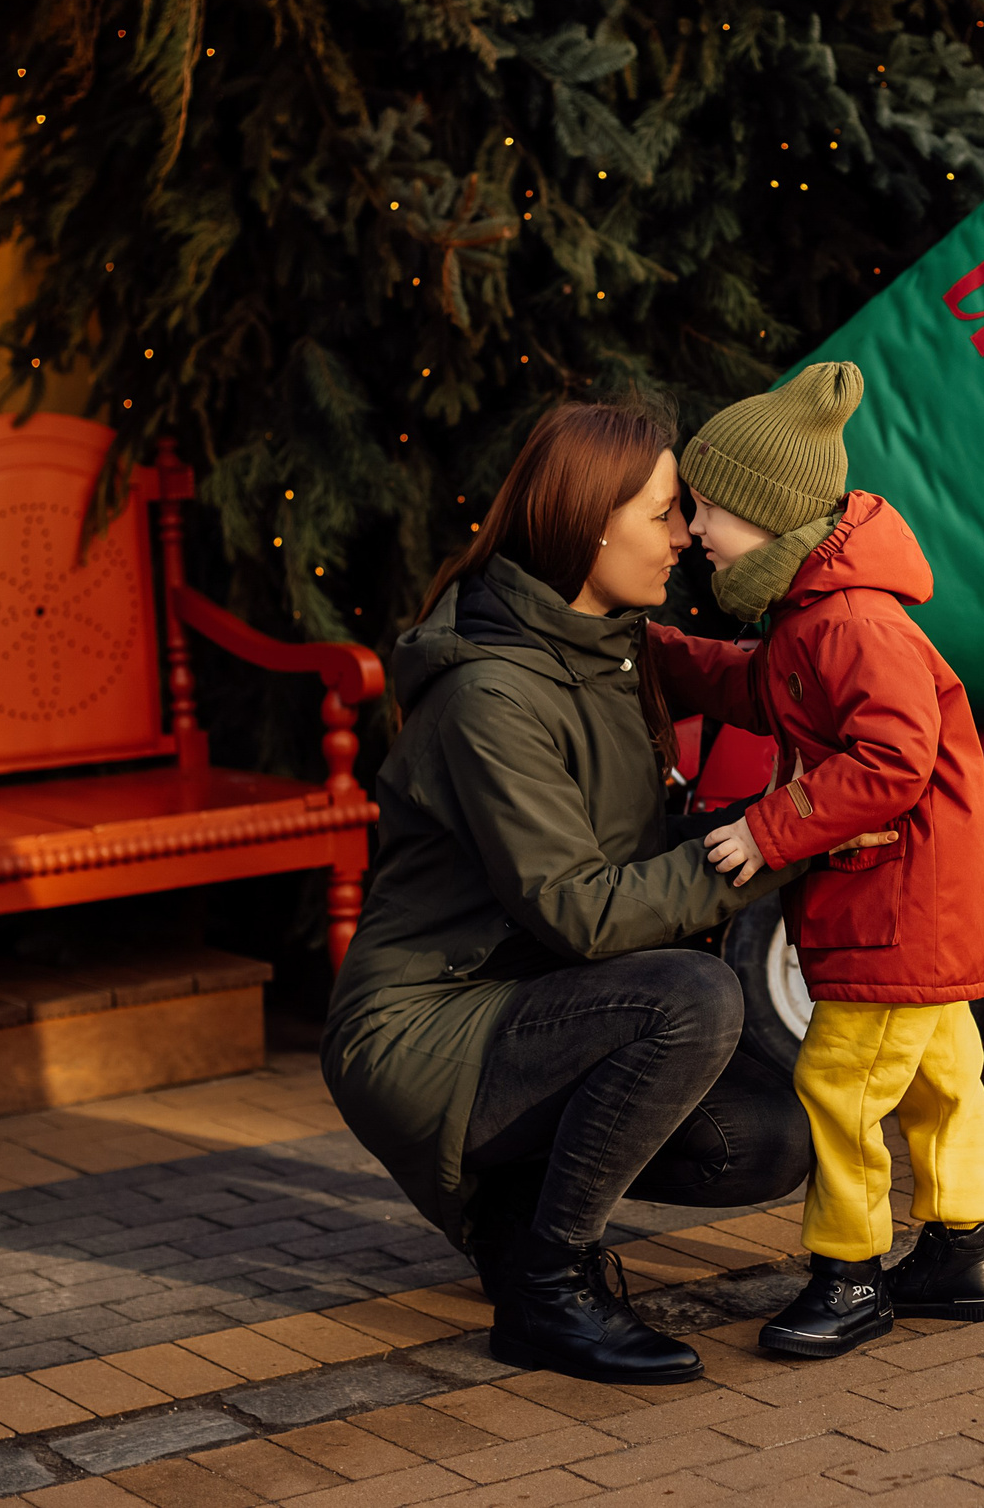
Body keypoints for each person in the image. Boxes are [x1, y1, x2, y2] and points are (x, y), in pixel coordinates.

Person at [323, 401, 818, 1388]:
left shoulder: (615, 649)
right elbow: (582, 911)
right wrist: (778, 840)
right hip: (428, 1026)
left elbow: (627, 861)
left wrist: (796, 815)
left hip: (537, 998)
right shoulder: (489, 695)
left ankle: (512, 1217)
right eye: (664, 514)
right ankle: (545, 1291)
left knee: (763, 1143)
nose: (683, 538)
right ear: (590, 521)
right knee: (689, 998)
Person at [647, 360, 984, 1361]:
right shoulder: (815, 610)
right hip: (912, 908)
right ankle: (961, 1250)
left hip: (896, 910)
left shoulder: (852, 620)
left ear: (772, 518)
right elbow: (771, 694)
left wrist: (769, 827)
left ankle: (848, 1273)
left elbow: (893, 760)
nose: (697, 533)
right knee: (941, 1077)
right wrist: (671, 659)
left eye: (711, 511)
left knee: (840, 1087)